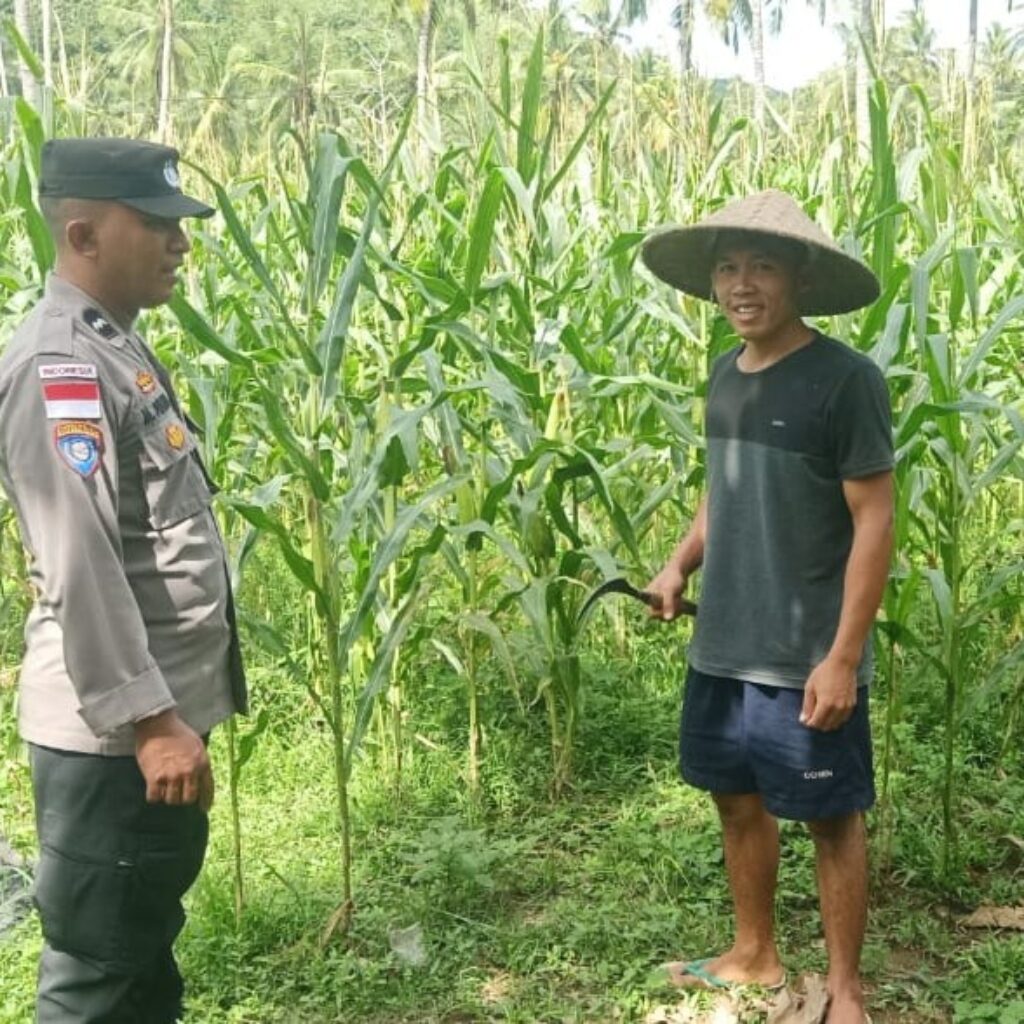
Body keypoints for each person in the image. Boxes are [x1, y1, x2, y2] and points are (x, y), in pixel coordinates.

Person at [0, 138, 247, 1024]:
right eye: (155, 224)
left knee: (138, 959)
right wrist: (151, 721)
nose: (179, 243)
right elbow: (80, 560)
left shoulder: (115, 349)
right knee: (96, 975)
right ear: (83, 233)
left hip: (150, 729)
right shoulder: (59, 366)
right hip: (115, 741)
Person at [641, 190, 893, 1024]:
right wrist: (679, 564)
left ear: (800, 276)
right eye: (726, 266)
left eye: (760, 266)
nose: (740, 284)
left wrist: (843, 656)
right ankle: (753, 955)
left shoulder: (845, 380)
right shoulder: (725, 373)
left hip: (804, 653)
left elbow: (874, 519)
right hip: (724, 641)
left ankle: (845, 990)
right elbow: (724, 491)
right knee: (736, 800)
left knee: (829, 818)